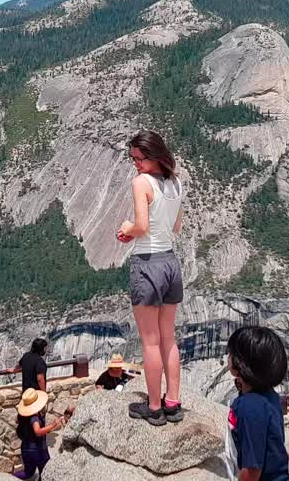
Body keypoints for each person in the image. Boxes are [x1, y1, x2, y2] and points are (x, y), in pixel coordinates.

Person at [117, 131, 185, 426]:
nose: (135, 164)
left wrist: (127, 228)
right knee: (168, 336)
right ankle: (173, 402)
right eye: (132, 158)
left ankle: (154, 407)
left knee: (150, 341)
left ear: (153, 155)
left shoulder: (141, 183)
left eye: (138, 158)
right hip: (171, 262)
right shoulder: (176, 183)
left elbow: (142, 226)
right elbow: (177, 226)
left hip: (148, 263)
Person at [223, 326, 289, 481]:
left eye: (231, 353)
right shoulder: (269, 396)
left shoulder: (250, 408)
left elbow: (252, 469)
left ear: (242, 363)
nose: (228, 356)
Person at [13, 387, 67, 479]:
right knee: (46, 471)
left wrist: (48, 429)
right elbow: (37, 432)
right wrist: (53, 425)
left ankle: (9, 477)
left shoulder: (21, 415)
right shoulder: (34, 418)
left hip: (26, 448)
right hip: (38, 450)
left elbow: (18, 422)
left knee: (28, 473)